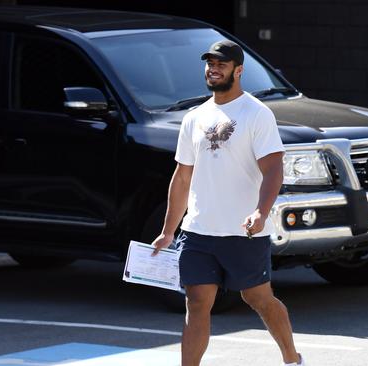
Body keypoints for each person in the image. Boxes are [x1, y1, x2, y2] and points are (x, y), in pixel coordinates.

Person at [151, 40, 305, 366]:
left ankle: (292, 359)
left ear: (238, 70)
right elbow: (181, 177)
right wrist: (168, 231)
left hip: (244, 231)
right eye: (209, 63)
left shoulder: (256, 114)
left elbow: (274, 168)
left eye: (221, 63)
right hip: (199, 231)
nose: (213, 68)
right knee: (196, 301)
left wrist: (261, 212)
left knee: (259, 298)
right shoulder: (194, 117)